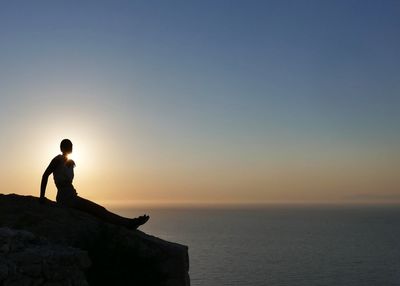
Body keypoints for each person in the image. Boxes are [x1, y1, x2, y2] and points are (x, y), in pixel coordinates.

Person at [40, 139, 149, 229]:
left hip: (71, 195)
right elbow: (45, 175)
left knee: (98, 211)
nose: (70, 147)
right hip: (66, 197)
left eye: (71, 146)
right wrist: (42, 197)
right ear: (62, 148)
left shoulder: (70, 162)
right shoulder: (57, 160)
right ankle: (129, 223)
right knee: (99, 210)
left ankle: (129, 222)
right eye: (68, 145)